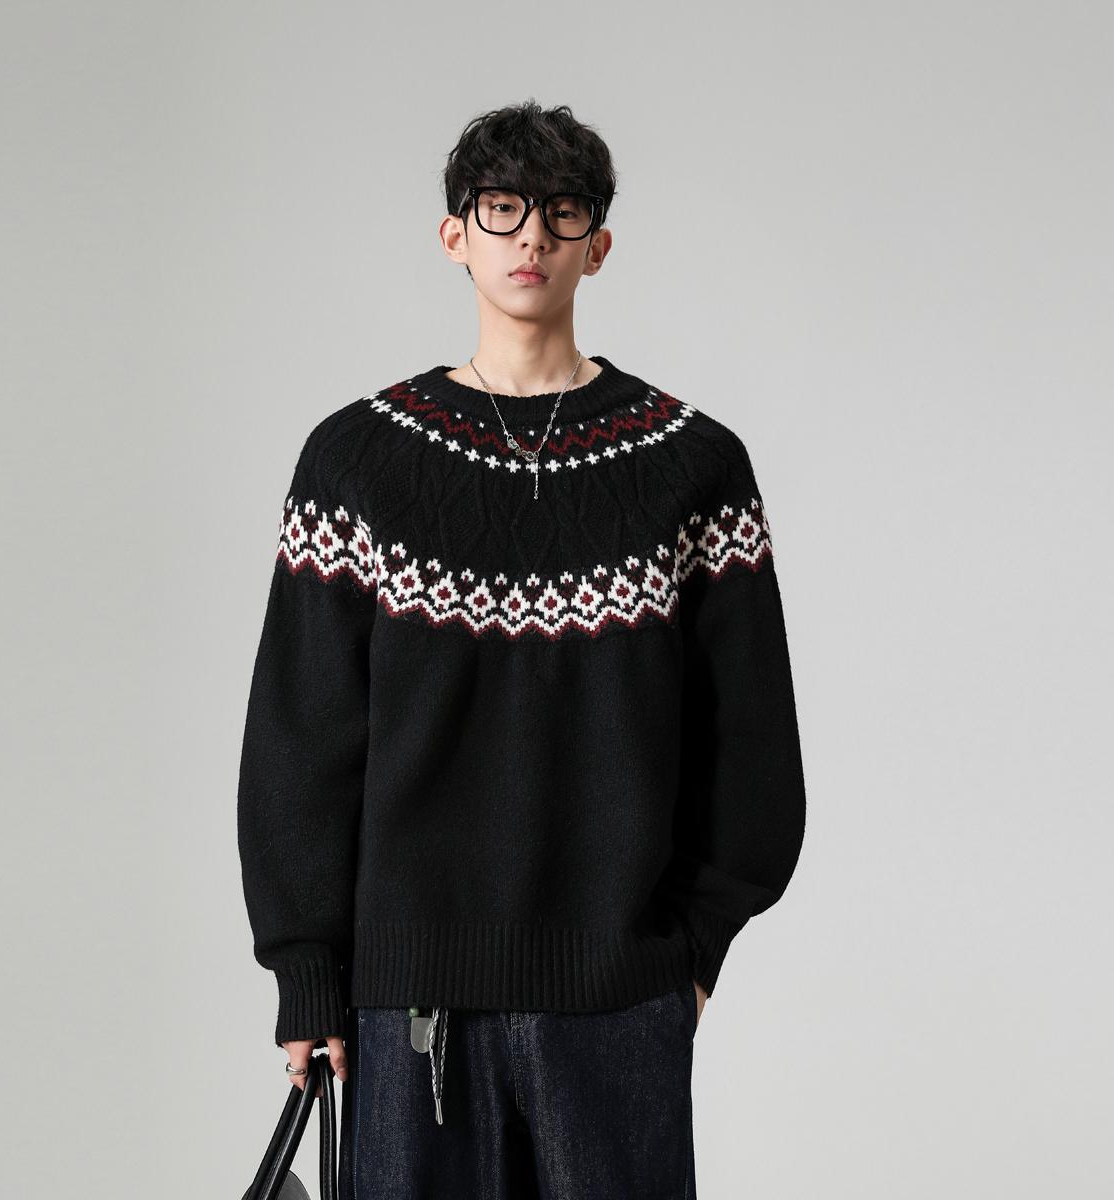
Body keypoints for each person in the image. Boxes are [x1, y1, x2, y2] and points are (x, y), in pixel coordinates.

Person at [236, 99, 807, 1198]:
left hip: (620, 1002)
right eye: (502, 209)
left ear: (600, 243)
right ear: (456, 235)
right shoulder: (356, 462)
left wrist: (691, 955)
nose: (531, 236)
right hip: (407, 1012)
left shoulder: (694, 467)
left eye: (561, 212)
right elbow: (301, 739)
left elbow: (751, 742)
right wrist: (306, 972)